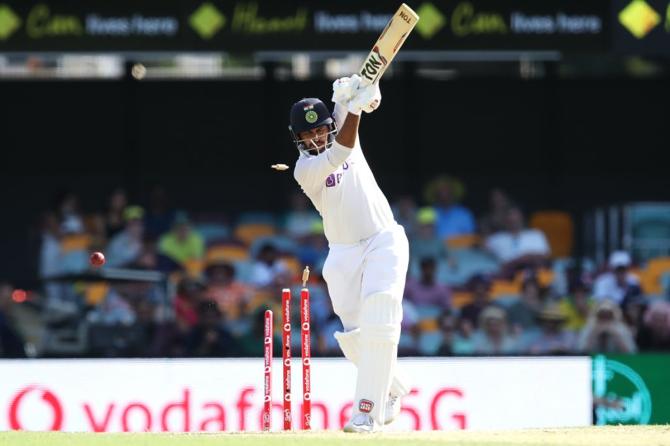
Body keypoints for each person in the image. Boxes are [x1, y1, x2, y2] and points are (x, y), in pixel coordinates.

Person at [288, 75, 409, 432]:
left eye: (320, 130)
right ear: (297, 139)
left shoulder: (343, 121)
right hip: (342, 255)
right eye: (306, 136)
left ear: (329, 125)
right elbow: (342, 148)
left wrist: (360, 90)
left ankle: (366, 414)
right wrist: (352, 106)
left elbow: (371, 98)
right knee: (356, 335)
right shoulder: (304, 169)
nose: (315, 138)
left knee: (381, 315)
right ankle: (392, 387)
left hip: (383, 239)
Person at [485, 206, 551, 273]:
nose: (513, 220)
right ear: (504, 219)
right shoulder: (494, 239)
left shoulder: (536, 234)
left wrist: (524, 258)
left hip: (535, 274)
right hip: (506, 277)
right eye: (510, 216)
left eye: (516, 216)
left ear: (522, 217)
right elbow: (487, 261)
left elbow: (544, 257)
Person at [424, 176, 476, 241]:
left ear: (453, 193)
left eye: (447, 190)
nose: (444, 194)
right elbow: (423, 237)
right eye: (440, 191)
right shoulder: (428, 212)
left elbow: (471, 237)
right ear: (435, 194)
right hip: (433, 250)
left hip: (460, 249)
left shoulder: (464, 213)